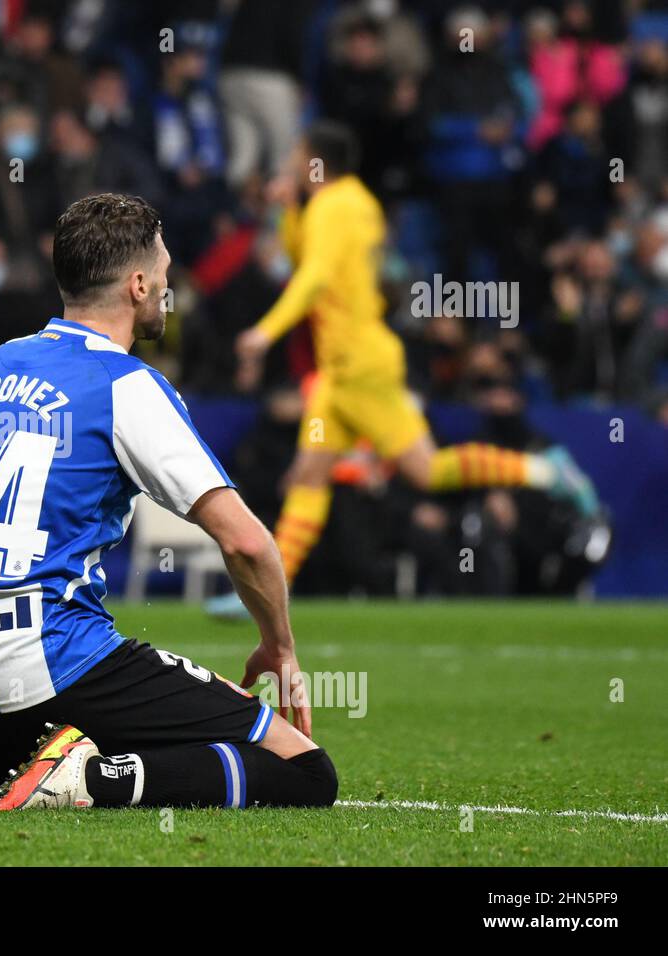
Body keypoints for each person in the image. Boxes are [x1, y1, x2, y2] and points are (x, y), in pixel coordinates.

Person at [0, 194, 337, 812]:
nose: (167, 287)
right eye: (164, 274)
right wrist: (279, 646)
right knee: (306, 772)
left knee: (76, 710)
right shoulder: (126, 386)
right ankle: (86, 782)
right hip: (49, 657)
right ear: (136, 283)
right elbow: (246, 541)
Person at [206, 122, 600, 619]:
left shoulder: (335, 206)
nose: (290, 163)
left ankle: (546, 470)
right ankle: (265, 595)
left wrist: (266, 332)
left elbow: (311, 276)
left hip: (362, 367)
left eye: (297, 155)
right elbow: (304, 258)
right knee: (308, 477)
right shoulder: (352, 204)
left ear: (314, 161)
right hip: (340, 369)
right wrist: (287, 208)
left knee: (427, 471)